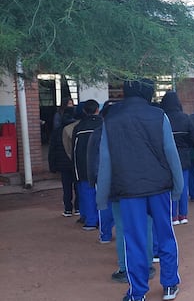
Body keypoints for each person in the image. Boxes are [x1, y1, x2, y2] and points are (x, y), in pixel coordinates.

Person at [96, 78, 183, 301]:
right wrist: (178, 185)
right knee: (165, 236)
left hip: (128, 190)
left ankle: (137, 293)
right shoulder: (158, 115)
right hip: (159, 187)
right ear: (149, 93)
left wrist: (101, 196)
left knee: (133, 240)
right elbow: (171, 153)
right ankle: (170, 284)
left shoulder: (111, 119)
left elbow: (105, 160)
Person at [161, 91, 194, 225]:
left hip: (166, 158)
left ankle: (172, 215)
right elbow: (193, 137)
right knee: (182, 186)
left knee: (169, 186)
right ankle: (183, 215)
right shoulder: (185, 118)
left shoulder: (162, 117)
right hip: (183, 156)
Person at [72, 99, 103, 233]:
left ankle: (89, 220)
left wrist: (76, 169)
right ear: (98, 110)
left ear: (84, 111)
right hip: (102, 165)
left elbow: (74, 150)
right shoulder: (104, 124)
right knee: (103, 194)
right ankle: (104, 223)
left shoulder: (79, 127)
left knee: (86, 193)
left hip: (83, 167)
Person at [48, 106, 78, 217]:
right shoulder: (76, 128)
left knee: (66, 187)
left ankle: (68, 209)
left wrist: (52, 165)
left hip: (63, 164)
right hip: (75, 163)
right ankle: (78, 207)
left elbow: (52, 150)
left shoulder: (57, 130)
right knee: (78, 187)